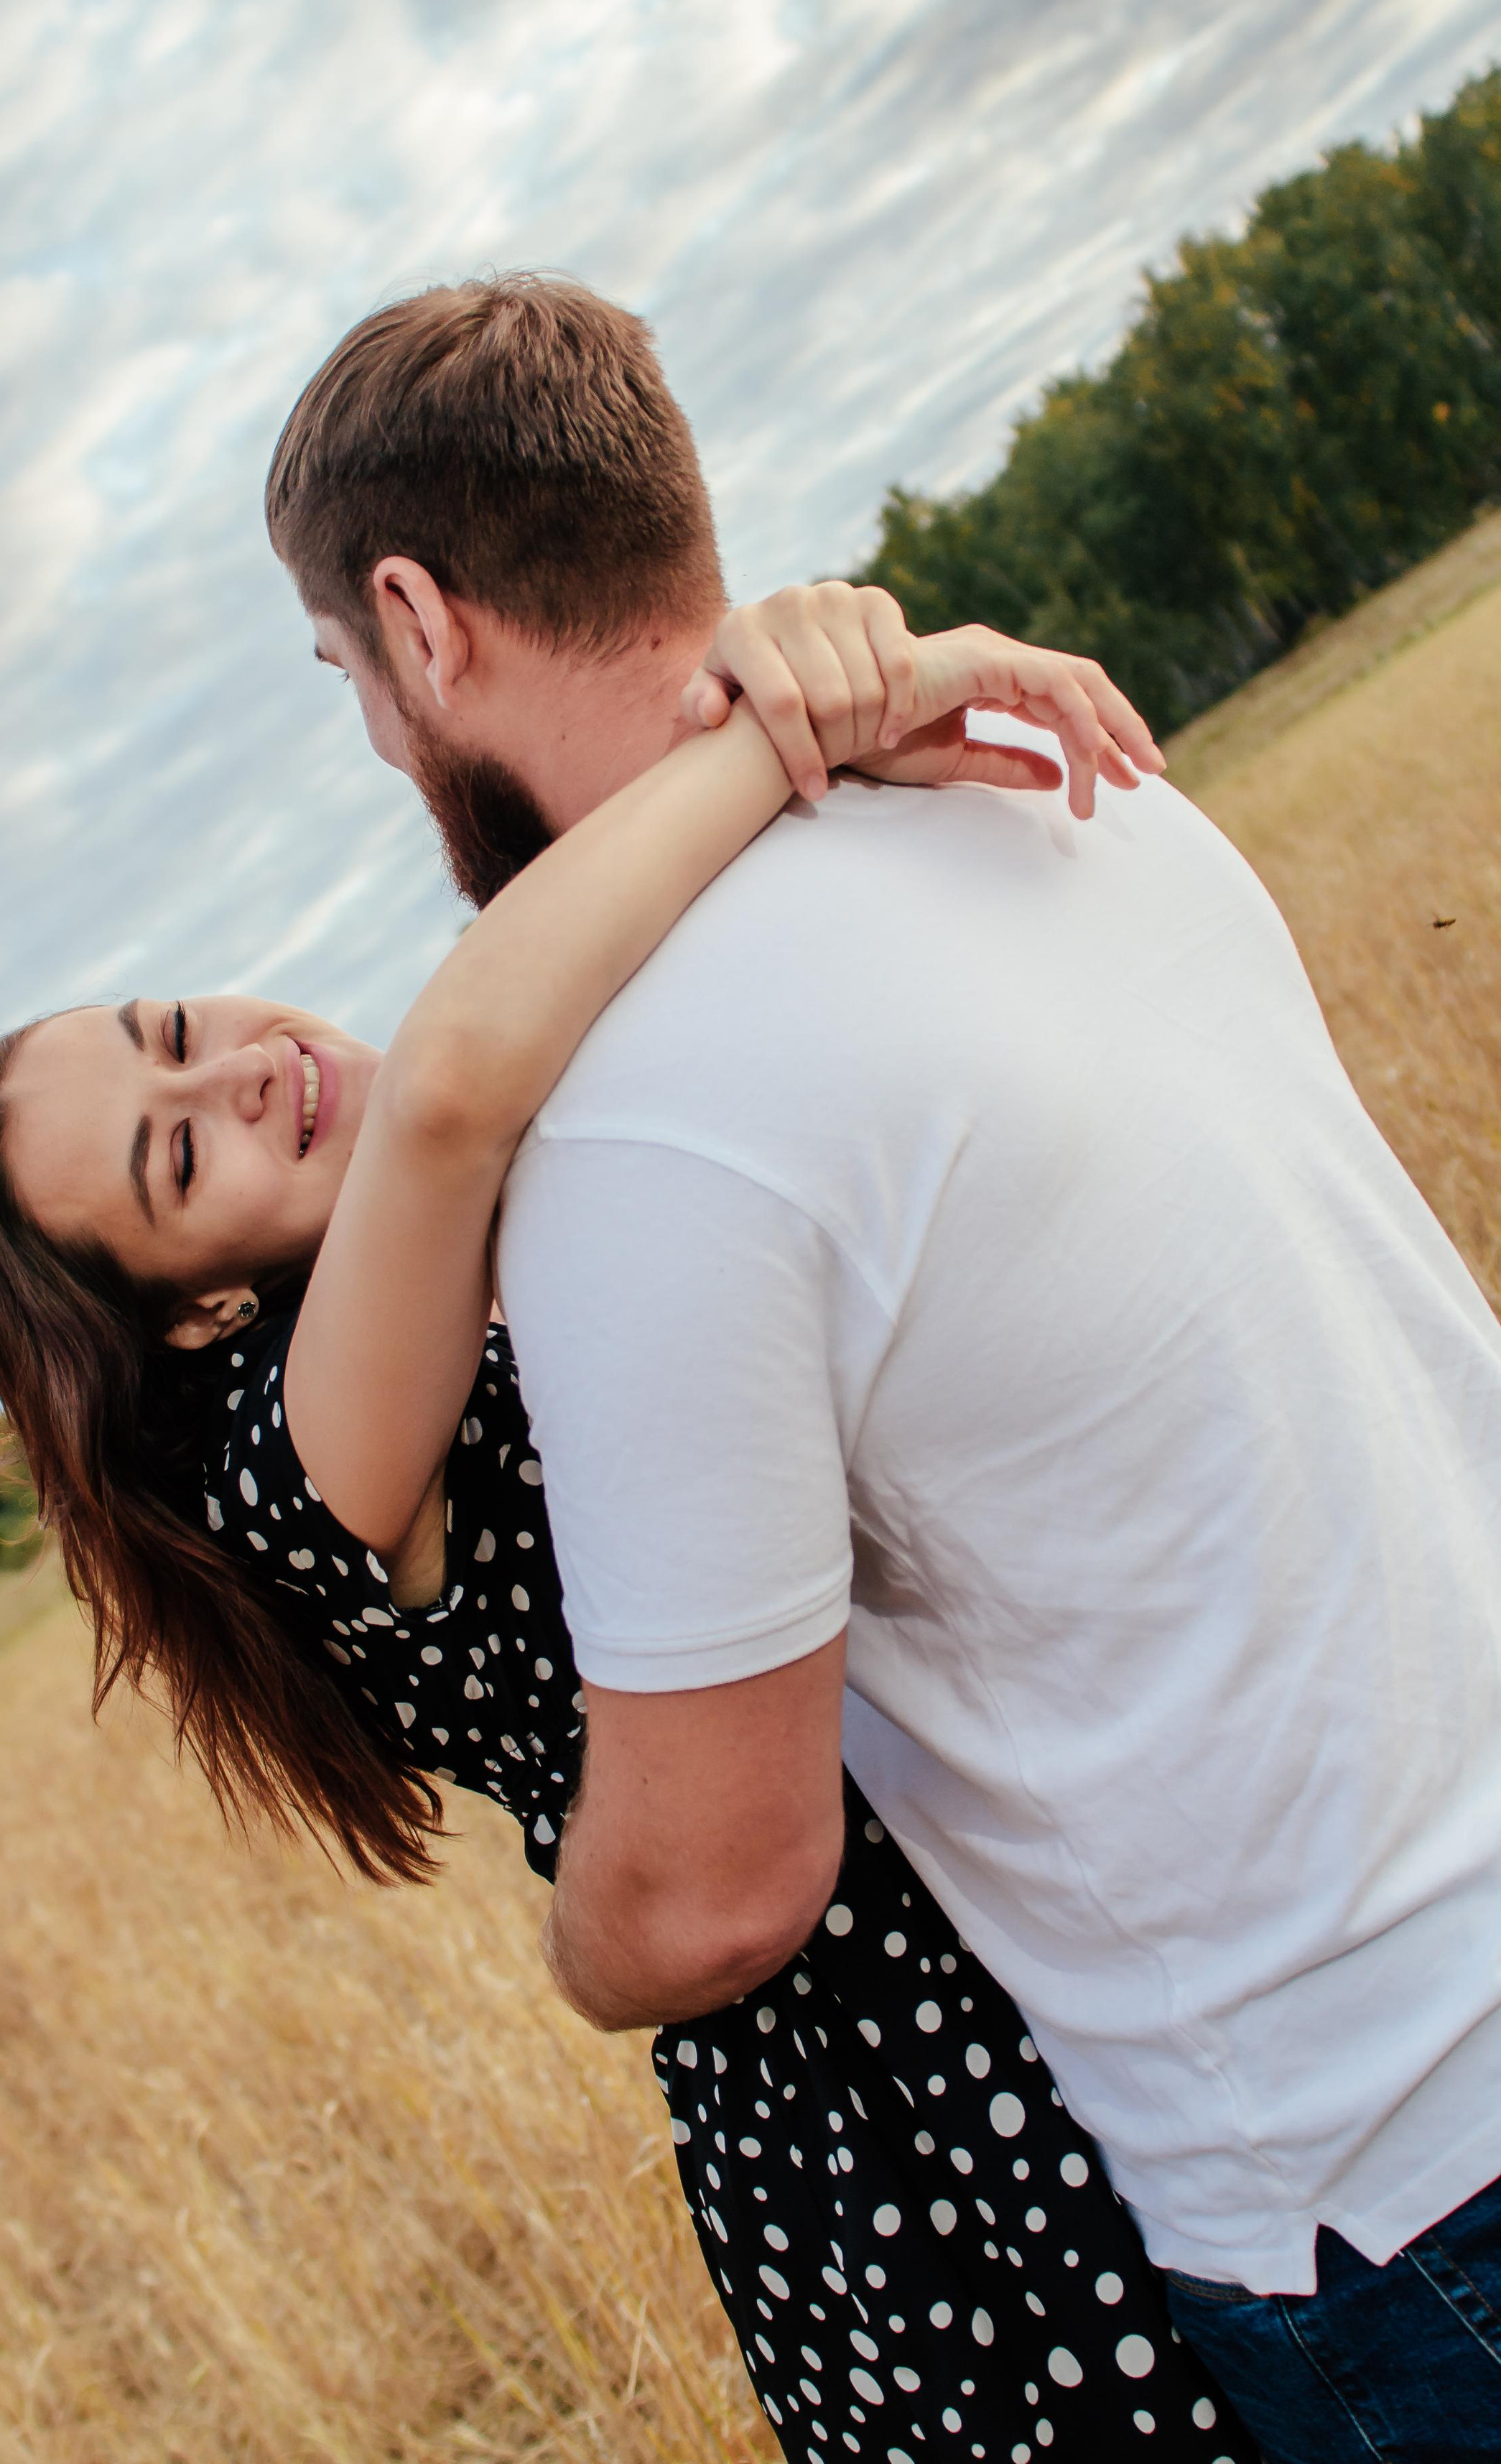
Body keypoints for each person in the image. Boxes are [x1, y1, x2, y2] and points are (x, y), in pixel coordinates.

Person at [262, 272, 1501, 2464]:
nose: (378, 737)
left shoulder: (636, 1125)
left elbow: (723, 1886)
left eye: (350, 679)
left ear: (418, 623)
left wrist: (583, 1943)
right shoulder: (1059, 771)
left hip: (1381, 2168)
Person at [0, 595, 1252, 2461]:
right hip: (889, 2104)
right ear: (195, 1313)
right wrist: (859, 702)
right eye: (177, 1152)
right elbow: (456, 1072)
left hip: (1016, 1956)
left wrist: (797, 660)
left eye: (172, 1030)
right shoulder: (291, 1471)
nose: (235, 1069)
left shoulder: (463, 1251)